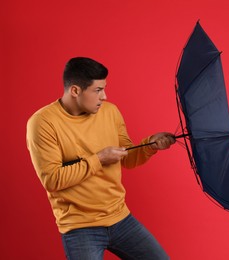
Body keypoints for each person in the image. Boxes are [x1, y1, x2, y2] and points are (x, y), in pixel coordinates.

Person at [26, 57, 174, 259]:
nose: (104, 96)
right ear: (75, 91)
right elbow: (52, 179)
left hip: (121, 218)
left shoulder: (110, 112)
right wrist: (99, 158)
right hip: (80, 227)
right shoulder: (43, 123)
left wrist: (150, 145)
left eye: (104, 89)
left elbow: (127, 158)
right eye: (97, 90)